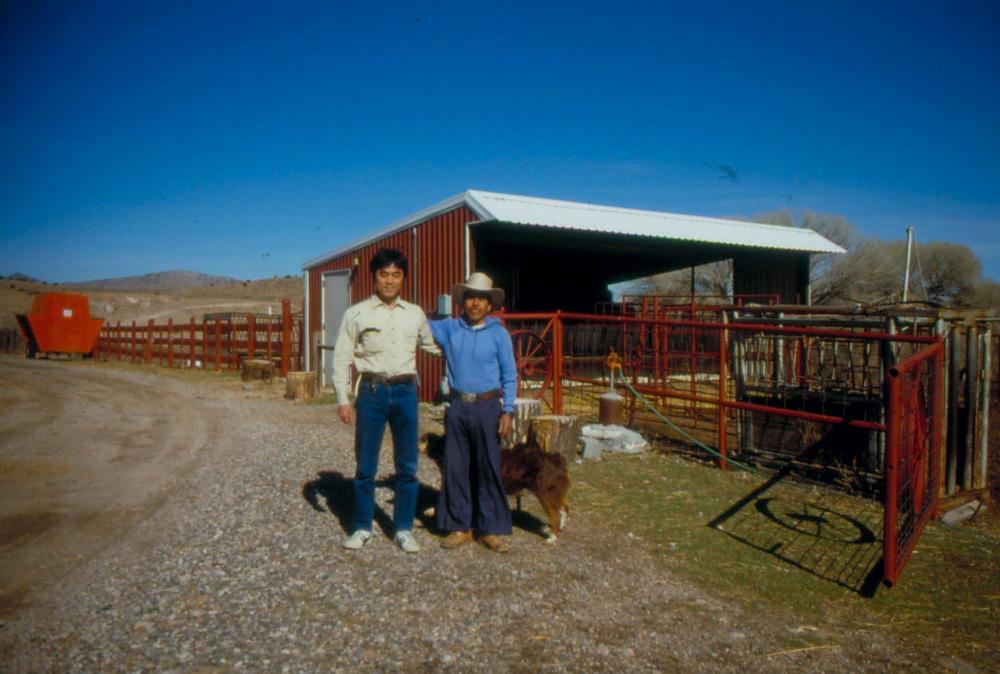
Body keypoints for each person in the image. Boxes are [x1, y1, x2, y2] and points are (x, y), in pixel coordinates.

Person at [333, 248, 439, 553]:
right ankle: (362, 527)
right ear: (374, 277)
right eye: (384, 274)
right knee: (366, 465)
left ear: (403, 277)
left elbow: (432, 346)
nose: (390, 281)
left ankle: (403, 529)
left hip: (406, 393)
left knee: (408, 465)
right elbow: (341, 358)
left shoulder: (416, 313)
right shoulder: (357, 313)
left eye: (396, 275)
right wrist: (342, 399)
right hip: (372, 393)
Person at [429, 272, 517, 552]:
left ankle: (489, 529)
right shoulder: (450, 329)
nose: (476, 304)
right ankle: (460, 526)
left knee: (488, 466)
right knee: (455, 467)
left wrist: (509, 411)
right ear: (462, 302)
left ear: (490, 305)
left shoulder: (499, 334)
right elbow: (417, 324)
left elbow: (510, 375)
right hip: (457, 407)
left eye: (482, 299)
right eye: (471, 298)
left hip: (488, 407)